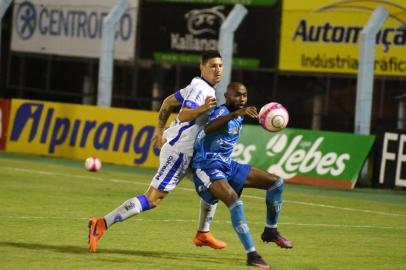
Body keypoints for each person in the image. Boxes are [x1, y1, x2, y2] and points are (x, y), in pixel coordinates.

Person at [88, 50, 226, 252]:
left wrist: (159, 131)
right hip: (179, 152)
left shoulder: (197, 85)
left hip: (189, 151)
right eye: (213, 66)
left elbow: (168, 102)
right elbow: (186, 114)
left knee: (214, 186)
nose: (218, 70)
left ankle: (203, 233)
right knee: (152, 199)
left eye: (220, 66)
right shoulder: (200, 88)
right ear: (202, 67)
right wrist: (202, 109)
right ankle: (101, 224)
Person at [192, 82, 293, 269]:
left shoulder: (240, 115)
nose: (242, 99)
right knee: (234, 201)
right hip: (206, 166)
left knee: (276, 182)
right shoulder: (221, 112)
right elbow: (208, 128)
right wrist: (234, 114)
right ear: (227, 96)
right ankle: (252, 254)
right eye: (237, 95)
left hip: (227, 165)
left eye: (244, 95)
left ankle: (271, 231)